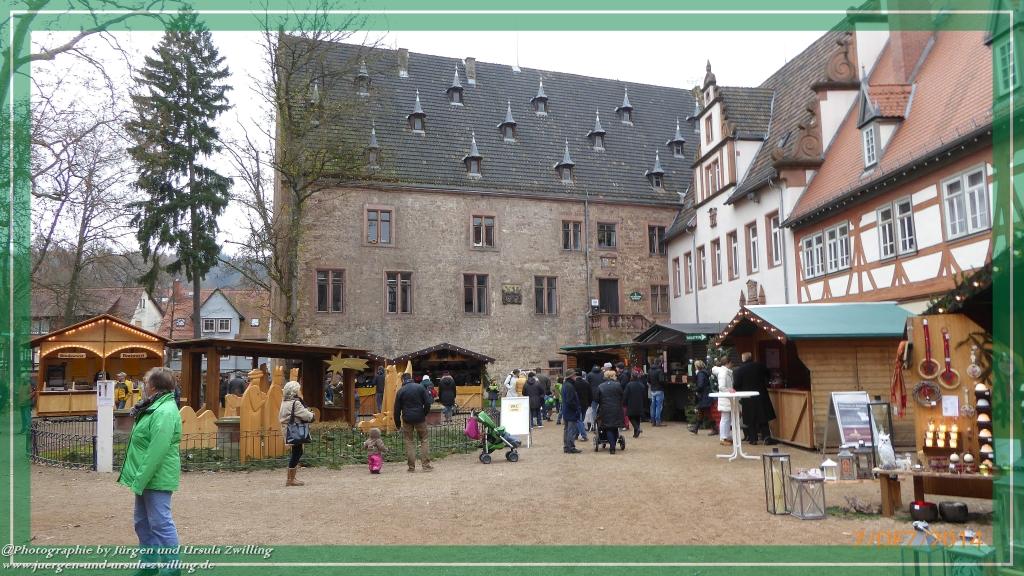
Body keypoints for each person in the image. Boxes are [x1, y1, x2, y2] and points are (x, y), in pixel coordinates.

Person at [117, 367, 182, 573]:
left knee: (161, 523)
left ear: (153, 386)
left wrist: (140, 479)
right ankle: (149, 564)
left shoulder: (163, 411)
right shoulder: (154, 406)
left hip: (155, 476)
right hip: (147, 476)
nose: (144, 386)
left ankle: (172, 568)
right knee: (143, 523)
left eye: (146, 383)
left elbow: (156, 451)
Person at [732, 352, 777, 445]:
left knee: (750, 418)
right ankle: (766, 437)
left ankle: (753, 439)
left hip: (747, 397)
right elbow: (769, 375)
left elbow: (736, 385)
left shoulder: (739, 370)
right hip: (761, 394)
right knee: (763, 416)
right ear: (751, 357)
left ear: (743, 359)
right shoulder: (760, 366)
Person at [393, 372, 433, 472]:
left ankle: (411, 467)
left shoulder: (400, 391)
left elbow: (396, 410)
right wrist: (424, 413)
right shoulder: (420, 388)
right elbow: (428, 403)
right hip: (420, 417)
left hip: (407, 419)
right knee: (424, 440)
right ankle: (426, 465)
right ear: (411, 378)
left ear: (402, 380)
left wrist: (398, 424)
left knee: (409, 441)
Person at [279, 380, 315, 486]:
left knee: (297, 452)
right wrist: (312, 415)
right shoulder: (296, 403)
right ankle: (290, 479)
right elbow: (307, 416)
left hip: (288, 430)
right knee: (297, 453)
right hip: (295, 431)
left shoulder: (284, 402)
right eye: (298, 390)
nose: (300, 391)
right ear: (294, 391)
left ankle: (291, 478)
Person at [594, 370, 625, 454]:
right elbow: (622, 396)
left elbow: (596, 399)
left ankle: (612, 447)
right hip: (616, 408)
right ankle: (613, 445)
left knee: (608, 427)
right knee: (614, 427)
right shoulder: (618, 385)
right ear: (612, 376)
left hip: (605, 409)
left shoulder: (600, 386)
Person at [713, 357, 736, 445]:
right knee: (725, 418)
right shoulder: (724, 372)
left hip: (726, 398)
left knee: (726, 418)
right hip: (725, 398)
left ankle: (726, 437)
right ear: (728, 363)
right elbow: (721, 387)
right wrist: (729, 390)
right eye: (731, 363)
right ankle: (723, 438)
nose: (732, 364)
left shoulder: (725, 371)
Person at [560, 371, 582, 454]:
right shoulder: (570, 386)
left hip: (566, 410)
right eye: (574, 375)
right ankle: (571, 447)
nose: (576, 376)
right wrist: (576, 408)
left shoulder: (565, 385)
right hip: (571, 411)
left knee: (566, 429)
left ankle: (566, 446)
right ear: (571, 376)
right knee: (571, 430)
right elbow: (570, 400)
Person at [689, 360, 714, 434]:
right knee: (702, 412)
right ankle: (696, 428)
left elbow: (700, 385)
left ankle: (714, 428)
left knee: (706, 412)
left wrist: (695, 389)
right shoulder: (704, 372)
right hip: (705, 394)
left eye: (695, 366)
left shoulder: (701, 374)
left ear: (697, 366)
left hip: (704, 395)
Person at [623, 369, 648, 439]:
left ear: (631, 377)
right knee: (637, 418)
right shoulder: (641, 385)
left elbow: (625, 395)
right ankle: (636, 433)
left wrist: (624, 402)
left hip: (631, 403)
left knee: (630, 417)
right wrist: (644, 404)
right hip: (639, 403)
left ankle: (637, 428)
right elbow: (644, 395)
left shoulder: (629, 385)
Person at [571, 371, 591, 441]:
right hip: (585, 404)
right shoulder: (586, 383)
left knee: (578, 420)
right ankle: (576, 434)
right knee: (581, 420)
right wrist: (589, 403)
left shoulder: (573, 383)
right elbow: (590, 394)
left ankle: (583, 435)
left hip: (577, 404)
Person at [648, 359, 667, 427]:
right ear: (659, 363)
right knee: (658, 406)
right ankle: (658, 421)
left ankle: (653, 421)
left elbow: (648, 380)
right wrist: (665, 383)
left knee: (653, 406)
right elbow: (661, 380)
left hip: (653, 390)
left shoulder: (650, 370)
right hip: (659, 390)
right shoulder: (659, 371)